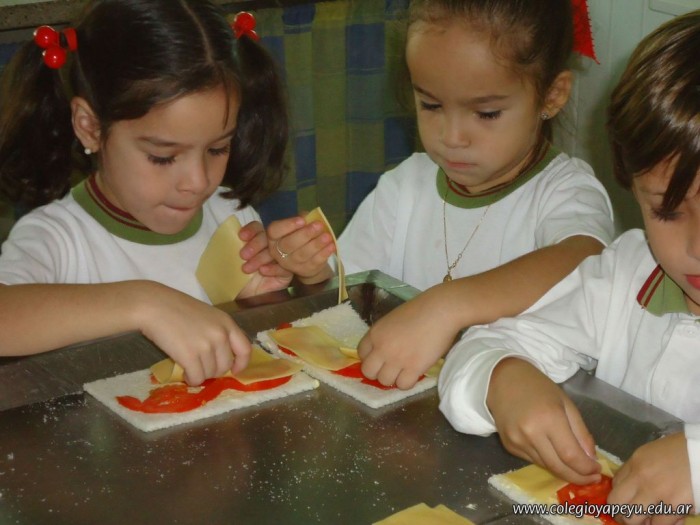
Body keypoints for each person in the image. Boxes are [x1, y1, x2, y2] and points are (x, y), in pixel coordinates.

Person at [266, 0, 614, 389]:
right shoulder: (405, 186)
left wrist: (446, 306)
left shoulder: (564, 192)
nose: (452, 137)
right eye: (431, 105)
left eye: (486, 114)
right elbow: (348, 298)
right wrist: (314, 271)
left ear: (551, 95)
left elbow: (586, 260)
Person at [439, 10, 700, 522]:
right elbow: (482, 348)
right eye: (667, 212)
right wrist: (503, 378)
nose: (695, 247)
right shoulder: (628, 273)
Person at [0, 0, 291, 386]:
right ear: (90, 127)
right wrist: (144, 302)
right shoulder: (56, 238)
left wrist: (268, 293)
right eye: (163, 157)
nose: (197, 181)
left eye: (217, 149)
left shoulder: (231, 214)